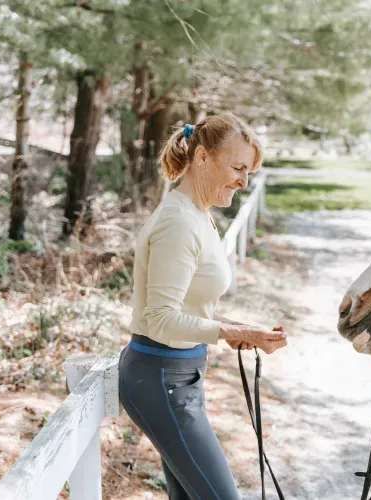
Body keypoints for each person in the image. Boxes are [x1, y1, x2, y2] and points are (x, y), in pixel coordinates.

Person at [118, 113, 288, 500]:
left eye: (249, 171)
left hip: (179, 375)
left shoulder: (199, 216)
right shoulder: (178, 223)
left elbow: (186, 307)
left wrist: (238, 330)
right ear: (202, 158)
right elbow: (159, 319)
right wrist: (227, 332)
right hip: (159, 377)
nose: (244, 181)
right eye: (237, 167)